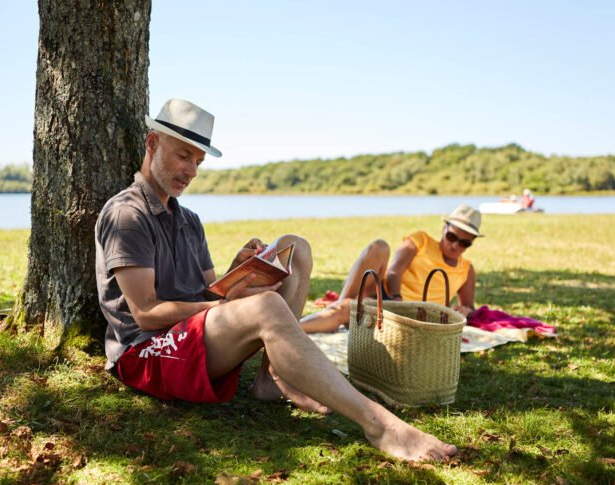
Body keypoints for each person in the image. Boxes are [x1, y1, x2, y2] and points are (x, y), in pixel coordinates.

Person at [94, 98, 457, 462]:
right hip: (146, 354)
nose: (191, 171)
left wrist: (238, 270)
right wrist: (228, 305)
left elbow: (207, 292)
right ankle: (380, 425)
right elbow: (146, 313)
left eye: (199, 162)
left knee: (294, 247)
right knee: (267, 306)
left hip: (190, 336)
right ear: (153, 143)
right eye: (183, 156)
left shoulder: (189, 220)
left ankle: (270, 379)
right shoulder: (127, 214)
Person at [300, 204, 483, 334]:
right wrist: (397, 299)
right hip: (388, 295)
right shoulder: (421, 240)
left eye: (464, 243)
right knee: (379, 247)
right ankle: (338, 306)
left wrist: (465, 310)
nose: (455, 245)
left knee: (347, 310)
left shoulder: (466, 269)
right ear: (444, 228)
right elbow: (394, 271)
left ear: (472, 242)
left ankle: (297, 327)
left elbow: (469, 306)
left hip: (414, 314)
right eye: (452, 236)